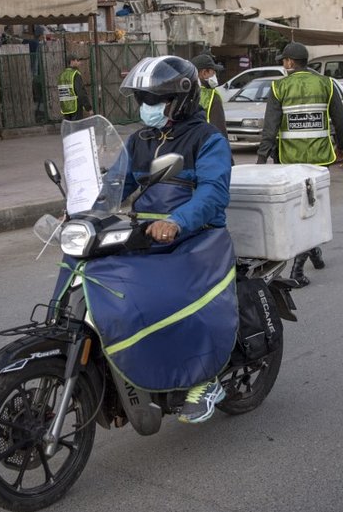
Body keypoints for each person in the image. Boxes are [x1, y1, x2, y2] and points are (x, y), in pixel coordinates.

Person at [118, 55, 234, 424]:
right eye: (142, 100)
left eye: (154, 100)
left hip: (196, 235)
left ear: (180, 98)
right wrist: (79, 211)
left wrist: (177, 221)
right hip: (149, 235)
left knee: (183, 297)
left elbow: (213, 194)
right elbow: (112, 185)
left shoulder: (207, 139)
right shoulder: (140, 140)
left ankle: (206, 377)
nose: (146, 109)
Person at [257, 42, 343, 286]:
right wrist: (342, 146)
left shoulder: (279, 87)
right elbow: (341, 122)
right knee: (313, 208)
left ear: (289, 62)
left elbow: (270, 127)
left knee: (300, 211)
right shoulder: (326, 84)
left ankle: (300, 266)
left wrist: (261, 158)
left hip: (290, 161)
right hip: (320, 158)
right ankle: (310, 256)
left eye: (283, 61)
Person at [190, 53, 228, 136]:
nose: (215, 76)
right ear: (204, 73)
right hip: (206, 143)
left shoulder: (185, 94)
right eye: (213, 72)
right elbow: (219, 129)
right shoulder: (212, 96)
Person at [57, 54, 93, 121]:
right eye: (77, 60)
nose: (80, 63)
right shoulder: (75, 74)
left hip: (65, 108)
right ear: (72, 61)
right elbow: (81, 92)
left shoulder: (61, 75)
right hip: (75, 107)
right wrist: (88, 108)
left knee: (70, 129)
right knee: (77, 129)